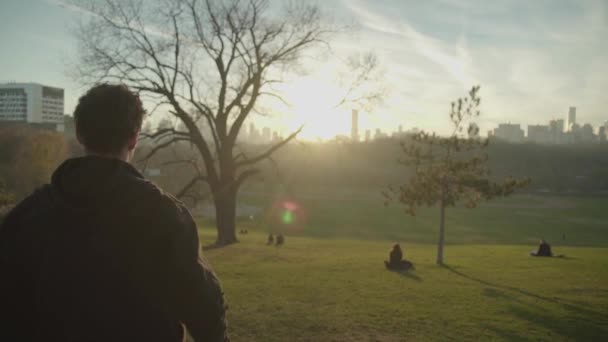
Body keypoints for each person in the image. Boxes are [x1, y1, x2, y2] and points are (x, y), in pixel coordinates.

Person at [0, 84, 228, 342]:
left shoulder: (25, 216)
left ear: (80, 134)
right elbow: (203, 307)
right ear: (134, 138)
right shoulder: (165, 216)